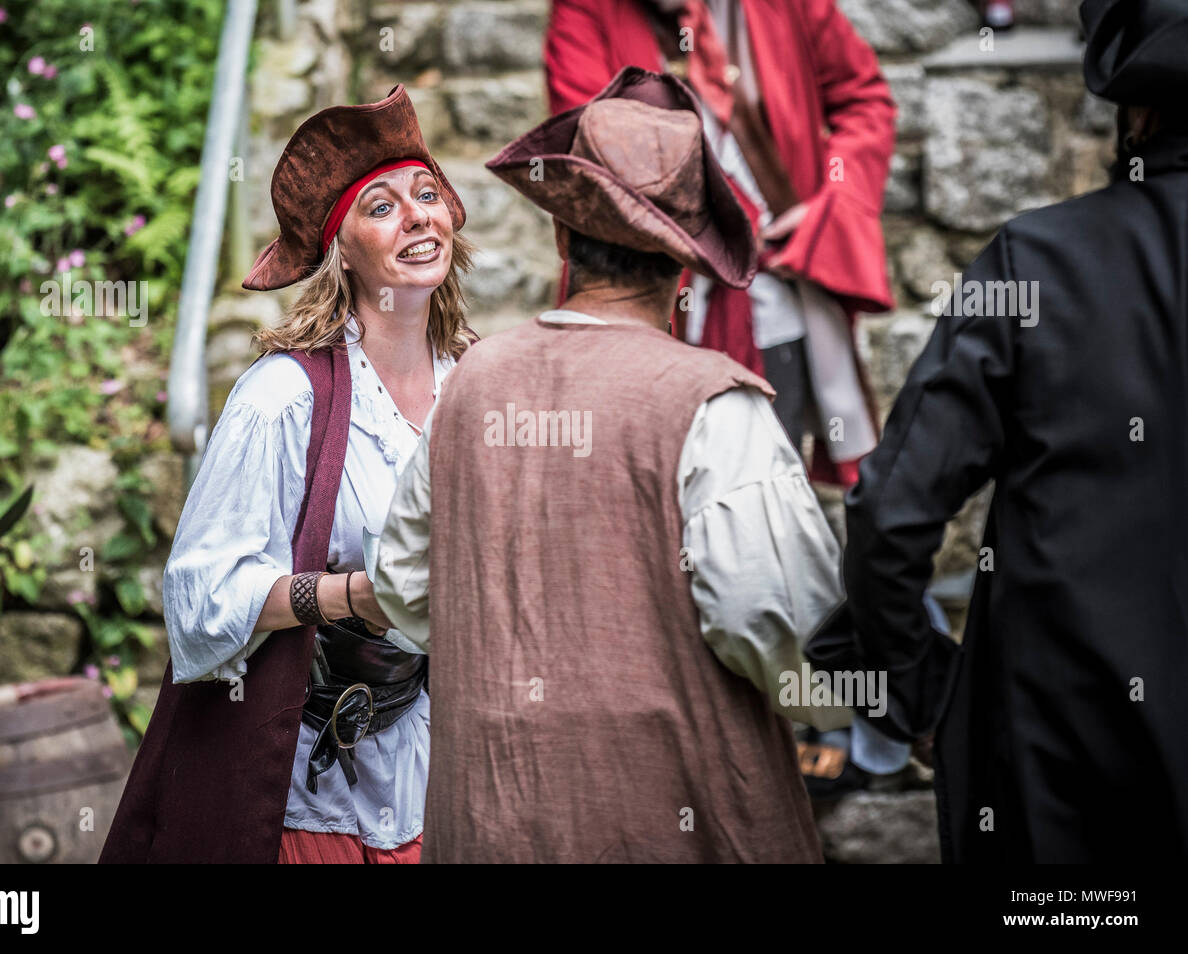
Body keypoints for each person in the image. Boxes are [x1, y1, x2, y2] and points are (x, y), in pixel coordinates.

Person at [374, 67, 850, 863]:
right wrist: (855, 709)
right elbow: (787, 629)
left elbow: (404, 586)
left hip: (485, 826)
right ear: (687, 261)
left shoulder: (468, 387)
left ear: (562, 236)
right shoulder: (714, 406)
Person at [807, 0, 1188, 863]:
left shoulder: (1035, 264)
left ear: (1138, 112)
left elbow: (890, 513)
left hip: (1061, 780)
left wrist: (926, 693)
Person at [99, 85, 473, 864]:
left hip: (431, 775)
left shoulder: (473, 385)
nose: (416, 216)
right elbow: (199, 601)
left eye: (427, 194)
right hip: (303, 794)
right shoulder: (282, 400)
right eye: (381, 205)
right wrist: (348, 595)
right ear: (342, 250)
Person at [546, 0, 907, 795]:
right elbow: (584, 155)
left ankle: (807, 729)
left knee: (776, 514)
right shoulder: (588, 12)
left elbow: (863, 99)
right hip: (655, 311)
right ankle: (693, 738)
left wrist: (830, 206)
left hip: (785, 303)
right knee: (657, 527)